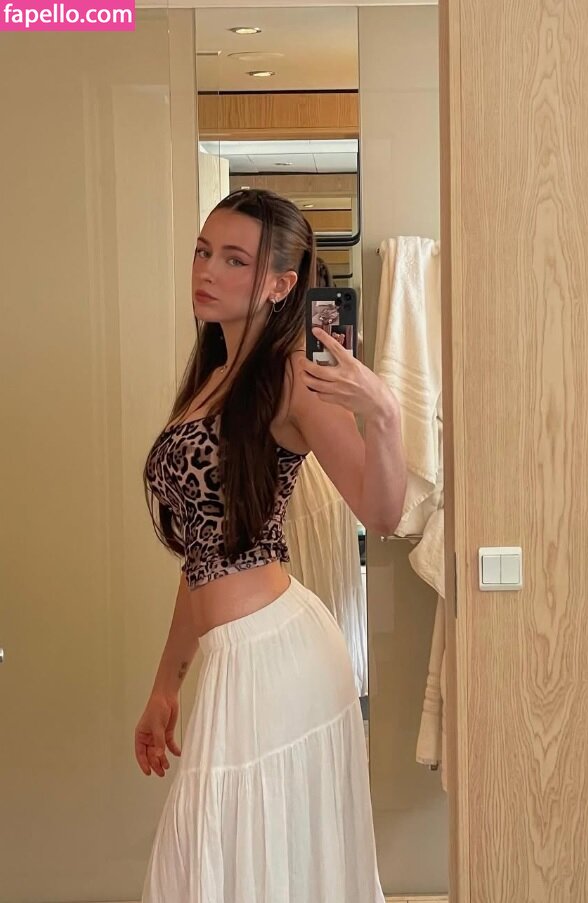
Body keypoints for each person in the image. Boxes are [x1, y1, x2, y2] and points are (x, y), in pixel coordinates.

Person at [136, 188, 407, 902]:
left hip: (276, 657)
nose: (207, 270)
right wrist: (166, 683)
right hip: (235, 653)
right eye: (204, 251)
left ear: (282, 284)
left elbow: (381, 512)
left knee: (245, 857)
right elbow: (201, 555)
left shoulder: (293, 377)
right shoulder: (210, 381)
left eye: (235, 260)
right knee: (228, 859)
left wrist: (383, 415)